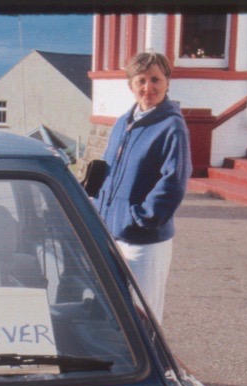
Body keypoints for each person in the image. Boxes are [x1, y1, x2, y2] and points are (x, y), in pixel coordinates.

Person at [92, 51, 191, 325]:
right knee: (116, 311)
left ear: (167, 82)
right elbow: (109, 173)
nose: (149, 88)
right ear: (131, 86)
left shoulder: (172, 126)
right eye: (142, 81)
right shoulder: (124, 122)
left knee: (144, 316)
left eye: (156, 80)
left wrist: (142, 218)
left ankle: (157, 367)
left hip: (144, 241)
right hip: (113, 234)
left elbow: (174, 181)